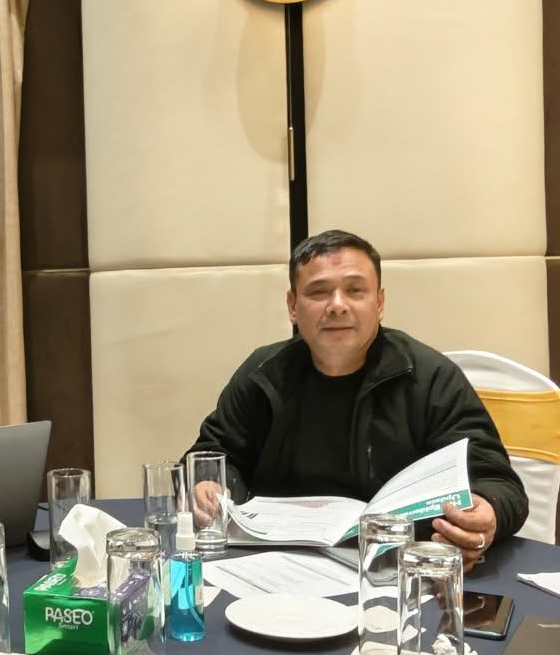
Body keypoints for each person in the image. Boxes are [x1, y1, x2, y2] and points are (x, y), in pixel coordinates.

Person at [187, 229, 526, 567]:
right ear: (292, 306)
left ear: (379, 303)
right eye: (318, 292)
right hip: (276, 567)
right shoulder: (263, 374)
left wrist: (487, 514)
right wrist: (209, 485)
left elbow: (497, 483)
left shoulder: (430, 377)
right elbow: (212, 455)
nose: (337, 305)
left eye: (355, 290)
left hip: (396, 571)